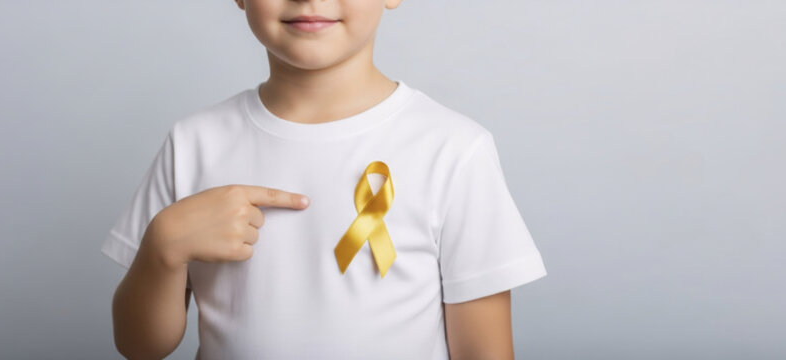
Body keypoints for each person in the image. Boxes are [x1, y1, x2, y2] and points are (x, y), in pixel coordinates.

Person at [99, 0, 547, 358]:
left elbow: (484, 350)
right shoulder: (193, 143)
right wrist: (161, 248)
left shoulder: (453, 149)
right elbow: (139, 348)